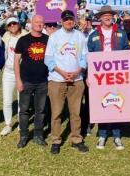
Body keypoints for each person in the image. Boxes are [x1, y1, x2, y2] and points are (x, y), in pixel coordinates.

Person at [44, 10, 88, 154]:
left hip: (76, 80)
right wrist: (62, 73)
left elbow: (84, 57)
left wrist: (77, 72)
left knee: (75, 113)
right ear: (61, 21)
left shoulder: (80, 36)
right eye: (66, 19)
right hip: (57, 80)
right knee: (56, 112)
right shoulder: (54, 36)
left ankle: (76, 139)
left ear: (74, 20)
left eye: (71, 19)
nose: (69, 22)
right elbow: (48, 59)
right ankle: (56, 140)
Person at [87, 5, 130, 150]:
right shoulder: (93, 35)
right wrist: (88, 75)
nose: (107, 17)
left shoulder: (121, 33)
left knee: (117, 101)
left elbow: (126, 51)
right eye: (104, 15)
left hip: (116, 75)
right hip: (100, 76)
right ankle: (102, 134)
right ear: (100, 17)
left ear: (112, 16)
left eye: (109, 15)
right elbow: (89, 58)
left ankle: (117, 135)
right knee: (102, 103)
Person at [14, 15, 49, 148]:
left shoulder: (48, 40)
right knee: (24, 110)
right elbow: (16, 61)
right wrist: (18, 80)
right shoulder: (23, 40)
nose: (39, 24)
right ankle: (23, 136)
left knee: (40, 110)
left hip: (42, 81)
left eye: (41, 22)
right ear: (31, 23)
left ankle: (38, 135)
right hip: (26, 80)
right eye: (37, 22)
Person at [0, 17, 28, 136]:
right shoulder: (6, 36)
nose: (12, 26)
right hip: (8, 71)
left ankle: (21, 124)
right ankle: (8, 124)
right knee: (7, 100)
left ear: (18, 24)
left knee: (21, 99)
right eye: (10, 25)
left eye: (14, 23)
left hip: (22, 72)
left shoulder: (26, 36)